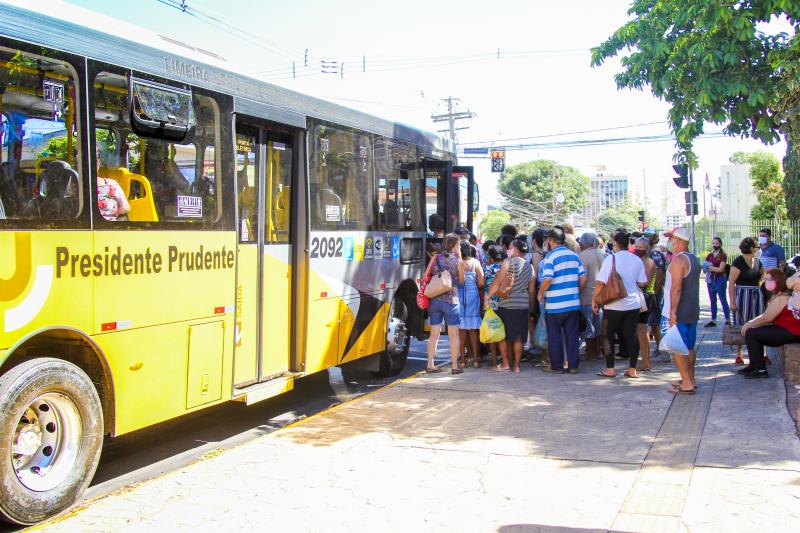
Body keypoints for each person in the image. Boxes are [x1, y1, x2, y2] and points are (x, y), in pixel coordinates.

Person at [594, 230, 647, 378]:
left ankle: (610, 368)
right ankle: (632, 369)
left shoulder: (611, 259)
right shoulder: (636, 259)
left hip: (613, 305)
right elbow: (643, 282)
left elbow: (600, 282)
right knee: (631, 336)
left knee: (607, 335)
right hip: (633, 304)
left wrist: (595, 299)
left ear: (616, 243)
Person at [539, 227, 587, 374]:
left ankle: (557, 366)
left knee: (555, 336)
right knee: (572, 336)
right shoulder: (574, 256)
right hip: (573, 303)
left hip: (554, 305)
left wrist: (540, 293)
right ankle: (573, 366)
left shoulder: (550, 257)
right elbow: (583, 277)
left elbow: (547, 279)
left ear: (551, 241)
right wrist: (575, 290)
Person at [662, 227, 702, 394]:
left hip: (680, 311)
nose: (670, 242)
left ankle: (687, 382)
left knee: (678, 348)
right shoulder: (694, 258)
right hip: (692, 309)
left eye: (671, 238)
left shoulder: (679, 260)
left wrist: (672, 313)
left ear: (678, 240)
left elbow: (676, 289)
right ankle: (689, 378)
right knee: (689, 347)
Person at [740, 269, 800, 378]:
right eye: (766, 279)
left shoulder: (782, 297)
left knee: (752, 333)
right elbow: (766, 315)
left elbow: (766, 318)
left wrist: (748, 325)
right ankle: (754, 365)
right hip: (787, 329)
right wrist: (750, 323)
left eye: (770, 279)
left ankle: (761, 370)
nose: (767, 281)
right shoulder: (779, 296)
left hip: (792, 332)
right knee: (752, 331)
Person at [487, 237, 534, 373]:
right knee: (519, 337)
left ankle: (506, 363)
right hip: (523, 305)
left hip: (507, 304)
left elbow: (497, 283)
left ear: (515, 249)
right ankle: (517, 366)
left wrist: (488, 297)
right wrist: (529, 305)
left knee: (506, 336)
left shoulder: (507, 263)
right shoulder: (530, 266)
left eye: (511, 247)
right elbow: (531, 290)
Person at [425, 234, 465, 375]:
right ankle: (454, 365)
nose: (459, 247)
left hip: (435, 300)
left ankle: (430, 364)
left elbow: (425, 276)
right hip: (451, 301)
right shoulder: (458, 261)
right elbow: (461, 281)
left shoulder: (436, 258)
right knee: (453, 335)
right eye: (458, 245)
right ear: (454, 246)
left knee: (433, 334)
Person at [728, 237, 765, 365]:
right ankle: (739, 354)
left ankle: (761, 354)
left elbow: (762, 278)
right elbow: (731, 282)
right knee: (741, 324)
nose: (759, 249)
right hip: (742, 294)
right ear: (751, 248)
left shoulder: (758, 262)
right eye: (757, 247)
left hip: (756, 295)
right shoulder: (738, 262)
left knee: (758, 323)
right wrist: (732, 302)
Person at [458, 241, 485, 368]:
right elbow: (481, 283)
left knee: (461, 329)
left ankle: (463, 360)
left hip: (459, 296)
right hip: (472, 296)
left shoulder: (458, 263)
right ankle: (475, 360)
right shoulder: (476, 263)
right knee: (473, 329)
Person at [578, 231, 605, 360]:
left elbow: (582, 279)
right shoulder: (602, 254)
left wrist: (577, 291)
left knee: (588, 327)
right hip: (601, 296)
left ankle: (591, 353)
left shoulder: (583, 256)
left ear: (583, 243)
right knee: (597, 326)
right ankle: (598, 352)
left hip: (587, 296)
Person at [634, 237, 657, 372]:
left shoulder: (648, 262)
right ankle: (644, 361)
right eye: (636, 246)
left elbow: (645, 283)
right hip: (642, 296)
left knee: (642, 331)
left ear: (647, 249)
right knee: (640, 331)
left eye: (640, 247)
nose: (637, 249)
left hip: (646, 297)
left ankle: (646, 362)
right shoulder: (640, 261)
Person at [645, 228, 667, 361]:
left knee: (656, 321)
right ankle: (659, 348)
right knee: (653, 323)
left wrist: (655, 292)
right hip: (652, 292)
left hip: (654, 293)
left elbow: (658, 274)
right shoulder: (652, 253)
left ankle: (662, 351)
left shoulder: (656, 254)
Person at [483, 246, 504, 367]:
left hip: (489, 302)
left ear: (490, 257)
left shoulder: (487, 269)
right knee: (503, 328)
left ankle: (494, 360)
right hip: (504, 301)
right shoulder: (506, 267)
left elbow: (481, 283)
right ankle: (506, 358)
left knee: (492, 328)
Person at [704, 237, 730, 328]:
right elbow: (705, 267)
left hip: (720, 279)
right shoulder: (709, 255)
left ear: (720, 244)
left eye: (717, 243)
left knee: (723, 299)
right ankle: (713, 320)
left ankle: (727, 319)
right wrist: (711, 268)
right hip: (711, 279)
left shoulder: (723, 255)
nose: (715, 245)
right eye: (713, 243)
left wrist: (710, 268)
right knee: (712, 300)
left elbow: (721, 269)